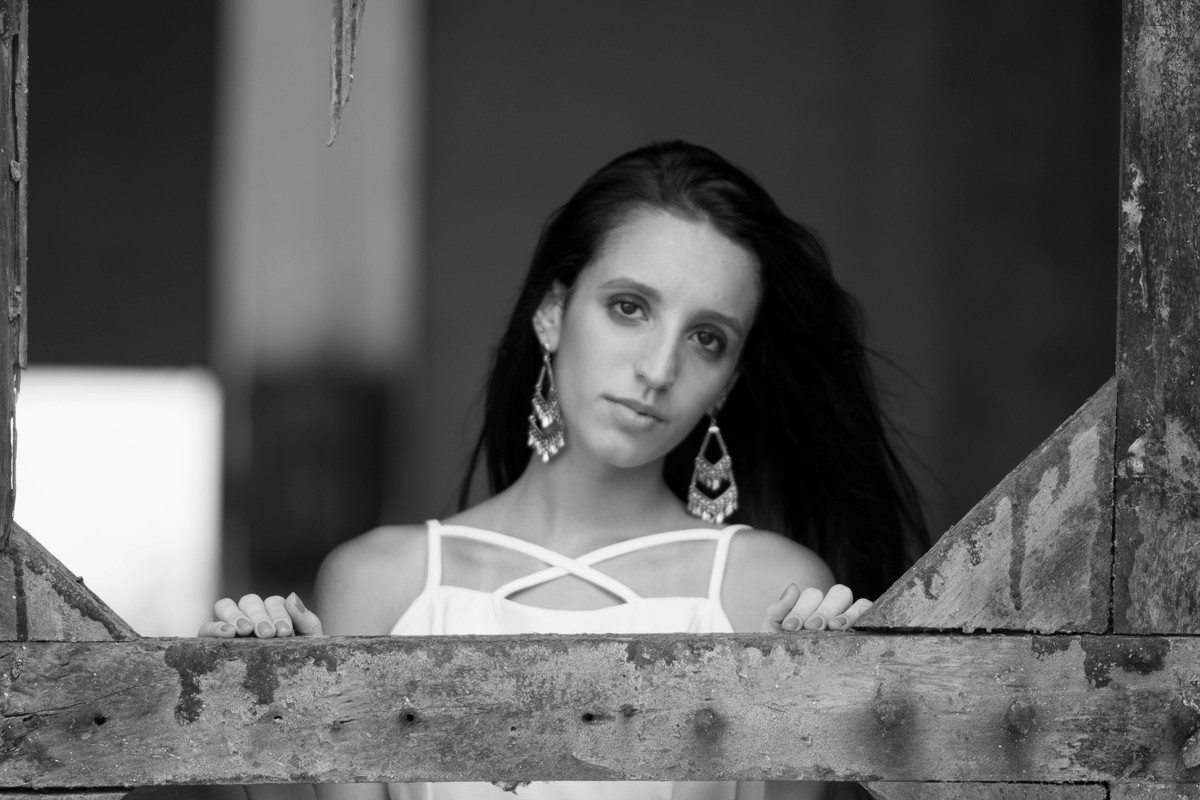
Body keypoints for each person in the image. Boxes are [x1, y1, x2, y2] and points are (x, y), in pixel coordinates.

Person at [202, 141, 929, 800]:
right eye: (629, 307)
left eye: (707, 338)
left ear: (729, 382)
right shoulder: (382, 585)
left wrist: (815, 688)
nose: (658, 369)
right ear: (553, 312)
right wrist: (263, 704)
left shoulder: (765, 591)